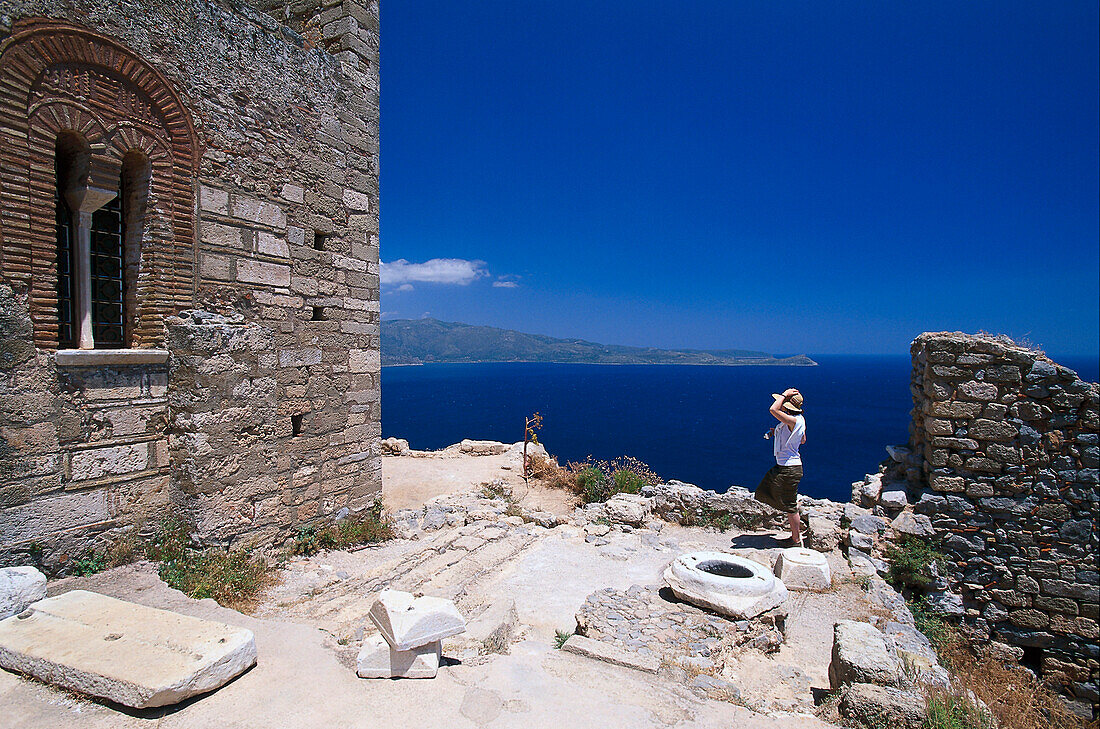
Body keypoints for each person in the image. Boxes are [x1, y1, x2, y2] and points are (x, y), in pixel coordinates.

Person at [755, 388, 807, 547]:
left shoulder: (793, 421)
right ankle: (795, 533)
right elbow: (802, 440)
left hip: (789, 469)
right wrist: (777, 433)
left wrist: (784, 395)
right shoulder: (797, 420)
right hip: (786, 467)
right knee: (765, 490)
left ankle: (796, 540)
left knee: (790, 506)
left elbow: (773, 409)